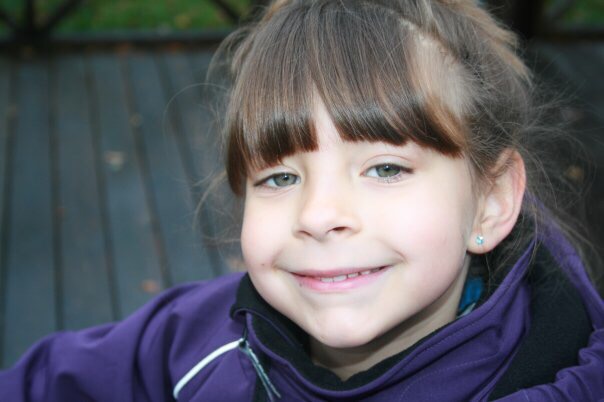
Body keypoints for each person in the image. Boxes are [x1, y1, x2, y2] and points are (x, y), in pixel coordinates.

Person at [2, 0, 603, 400]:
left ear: (491, 201)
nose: (317, 216)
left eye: (385, 168)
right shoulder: (195, 343)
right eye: (280, 178)